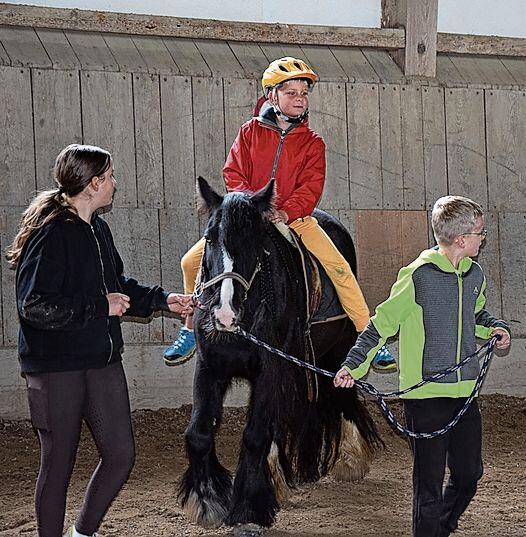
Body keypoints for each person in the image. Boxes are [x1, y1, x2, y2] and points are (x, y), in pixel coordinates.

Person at [164, 56, 396, 372]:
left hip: (295, 219)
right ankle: (191, 327)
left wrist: (285, 212)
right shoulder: (249, 132)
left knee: (339, 268)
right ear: (273, 96)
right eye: (291, 93)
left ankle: (369, 336)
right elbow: (233, 172)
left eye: (303, 93)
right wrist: (251, 208)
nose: (299, 99)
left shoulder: (313, 142)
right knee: (190, 262)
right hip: (249, 219)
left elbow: (311, 187)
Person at [7, 144, 193, 537]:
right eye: (109, 176)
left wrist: (164, 300)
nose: (114, 183)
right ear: (93, 184)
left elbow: (117, 288)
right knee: (58, 465)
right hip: (55, 368)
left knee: (121, 455)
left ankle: (82, 533)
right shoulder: (50, 233)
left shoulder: (98, 229)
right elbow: (34, 305)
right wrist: (97, 307)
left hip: (102, 361)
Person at [333, 195, 511, 537]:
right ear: (461, 239)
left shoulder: (475, 275)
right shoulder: (417, 277)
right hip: (426, 398)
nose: (482, 238)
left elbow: (476, 316)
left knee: (469, 475)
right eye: (479, 233)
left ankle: (441, 527)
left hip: (465, 394)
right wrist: (352, 368)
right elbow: (379, 325)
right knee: (428, 486)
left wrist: (496, 328)